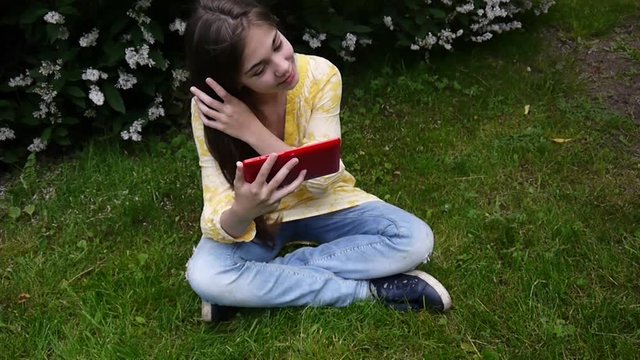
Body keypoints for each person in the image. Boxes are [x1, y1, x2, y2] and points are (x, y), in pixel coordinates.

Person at [184, 0, 452, 321]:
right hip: (260, 222)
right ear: (233, 81)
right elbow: (215, 216)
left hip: (327, 204)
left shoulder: (319, 75)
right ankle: (368, 292)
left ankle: (257, 285)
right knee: (205, 275)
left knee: (415, 239)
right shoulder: (212, 111)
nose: (282, 66)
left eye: (277, 44)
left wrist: (252, 130)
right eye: (259, 69)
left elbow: (323, 180)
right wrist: (244, 211)